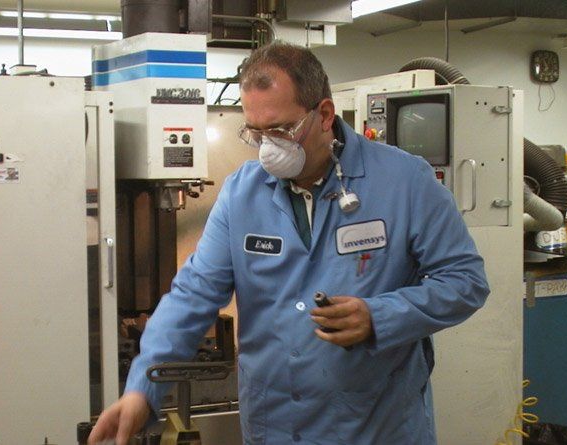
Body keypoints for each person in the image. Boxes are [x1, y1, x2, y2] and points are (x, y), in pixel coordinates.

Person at [89, 42, 490, 445]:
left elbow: (465, 281)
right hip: (275, 427)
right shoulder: (242, 193)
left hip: (374, 427)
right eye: (254, 132)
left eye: (280, 130)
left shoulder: (405, 182)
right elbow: (193, 295)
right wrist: (143, 386)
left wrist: (380, 317)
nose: (268, 147)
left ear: (325, 115)